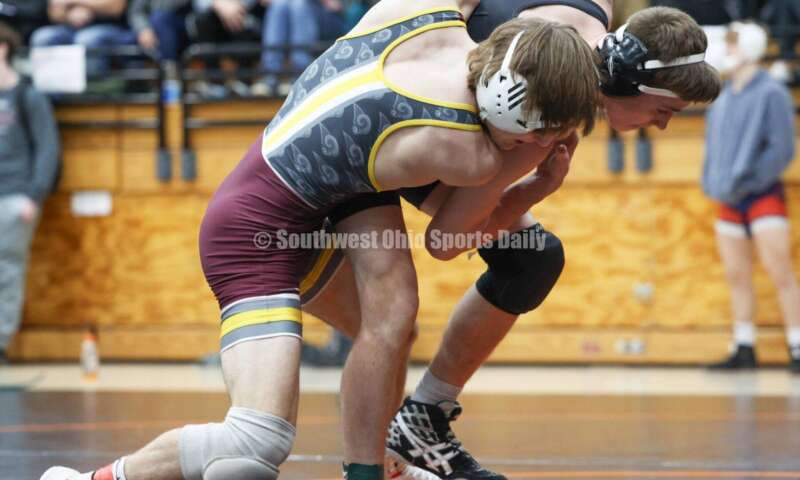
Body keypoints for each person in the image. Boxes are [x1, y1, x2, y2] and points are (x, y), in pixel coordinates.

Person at [40, 1, 600, 479]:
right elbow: (448, 240)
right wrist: (533, 185)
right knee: (256, 442)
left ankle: (373, 463)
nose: (552, 140)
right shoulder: (470, 151)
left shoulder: (422, 13)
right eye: (547, 130)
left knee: (391, 326)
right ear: (521, 113)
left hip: (317, 201)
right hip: (253, 235)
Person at [298, 2, 722, 479]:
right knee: (395, 321)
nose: (663, 125)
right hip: (369, 136)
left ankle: (417, 425)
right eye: (665, 110)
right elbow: (446, 240)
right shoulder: (549, 113)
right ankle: (389, 446)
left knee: (522, 261)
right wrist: (540, 187)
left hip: (366, 85)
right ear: (631, 84)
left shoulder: (591, 13)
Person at [704, 22, 799, 373]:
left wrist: (753, 180)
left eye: (732, 44)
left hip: (762, 195)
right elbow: (713, 149)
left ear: (748, 47)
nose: (727, 50)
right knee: (736, 274)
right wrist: (713, 184)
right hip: (728, 197)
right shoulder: (725, 97)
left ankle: (797, 345)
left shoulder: (772, 92)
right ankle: (744, 345)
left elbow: (782, 148)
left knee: (780, 271)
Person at [0, 22, 60, 363]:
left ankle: (0, 342)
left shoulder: (28, 97)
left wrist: (33, 196)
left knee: (7, 271)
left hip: (14, 198)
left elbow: (47, 149)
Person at [30, 0, 136, 74]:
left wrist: (79, 3)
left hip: (112, 27)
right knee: (42, 37)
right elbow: (53, 13)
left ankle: (91, 94)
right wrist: (69, 16)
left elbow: (116, 8)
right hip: (70, 27)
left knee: (87, 39)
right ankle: (53, 94)